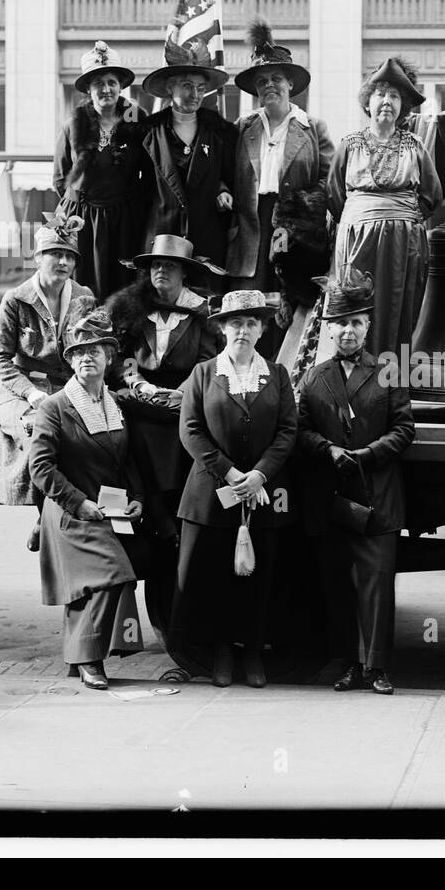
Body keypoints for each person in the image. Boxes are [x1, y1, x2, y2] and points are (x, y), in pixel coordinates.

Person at [104, 234, 223, 659]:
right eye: (155, 265)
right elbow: (113, 356)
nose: (160, 272)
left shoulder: (204, 315)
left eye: (170, 266)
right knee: (140, 511)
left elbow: (215, 366)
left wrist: (184, 395)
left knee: (180, 516)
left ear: (185, 273)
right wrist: (134, 381)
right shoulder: (129, 310)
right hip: (138, 418)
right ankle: (131, 625)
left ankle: (189, 623)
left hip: (184, 420)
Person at [171, 289, 297, 688]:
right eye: (235, 323)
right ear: (223, 329)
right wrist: (229, 474)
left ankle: (254, 653)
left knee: (259, 578)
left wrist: (260, 474)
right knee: (215, 578)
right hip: (212, 495)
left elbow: (287, 430)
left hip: (264, 494)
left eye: (251, 322)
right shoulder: (204, 373)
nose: (243, 330)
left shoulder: (277, 375)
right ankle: (221, 653)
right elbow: (190, 430)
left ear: (261, 330)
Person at [297, 272, 415, 695]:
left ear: (367, 327)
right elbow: (302, 429)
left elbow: (404, 429)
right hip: (334, 497)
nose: (348, 331)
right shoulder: (314, 378)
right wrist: (327, 450)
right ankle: (348, 663)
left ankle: (377, 667)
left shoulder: (387, 371)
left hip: (377, 495)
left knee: (377, 583)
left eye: (357, 323)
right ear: (328, 329)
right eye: (341, 323)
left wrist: (368, 455)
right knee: (340, 584)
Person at [27, 310, 146, 690]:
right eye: (78, 352)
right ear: (71, 360)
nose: (86, 358)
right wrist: (79, 504)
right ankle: (88, 659)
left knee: (93, 587)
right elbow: (41, 469)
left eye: (95, 349)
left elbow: (127, 461)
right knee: (112, 577)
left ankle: (82, 657)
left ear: (110, 356)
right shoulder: (55, 407)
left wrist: (137, 498)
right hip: (68, 513)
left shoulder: (116, 405)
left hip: (106, 511)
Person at [227, 19, 334, 360]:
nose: (269, 85)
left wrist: (297, 215)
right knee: (250, 305)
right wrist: (221, 190)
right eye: (262, 81)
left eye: (276, 79)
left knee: (289, 306)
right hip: (250, 227)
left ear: (290, 83)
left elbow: (328, 180)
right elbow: (221, 173)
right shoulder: (242, 128)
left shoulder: (312, 127)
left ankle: (284, 379)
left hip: (295, 228)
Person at [324, 57, 443, 361]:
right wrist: (362, 219)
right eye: (380, 94)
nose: (387, 101)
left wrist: (403, 220)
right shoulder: (349, 144)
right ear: (368, 102)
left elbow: (431, 195)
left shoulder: (415, 146)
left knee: (398, 309)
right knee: (356, 306)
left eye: (394, 96)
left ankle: (393, 387)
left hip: (404, 244)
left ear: (403, 106)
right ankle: (356, 383)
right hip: (357, 241)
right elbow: (335, 195)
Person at [0, 211, 96, 545]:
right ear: (38, 259)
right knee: (39, 431)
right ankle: (44, 515)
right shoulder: (16, 299)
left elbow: (95, 347)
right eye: (55, 255)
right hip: (21, 388)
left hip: (68, 385)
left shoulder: (84, 298)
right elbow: (0, 361)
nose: (63, 262)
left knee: (89, 434)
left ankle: (64, 516)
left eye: (69, 257)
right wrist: (31, 393)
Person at [54, 39, 149, 300]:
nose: (106, 89)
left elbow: (149, 171)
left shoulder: (136, 118)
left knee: (122, 287)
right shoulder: (74, 123)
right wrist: (79, 205)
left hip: (123, 219)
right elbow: (61, 178)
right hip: (84, 220)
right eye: (98, 84)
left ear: (120, 86)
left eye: (111, 83)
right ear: (88, 88)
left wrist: (132, 207)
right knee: (84, 288)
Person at [139, 40, 238, 270]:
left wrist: (223, 189)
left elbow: (231, 178)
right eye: (186, 86)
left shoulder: (222, 134)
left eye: (201, 88)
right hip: (161, 239)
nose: (195, 94)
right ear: (169, 88)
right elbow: (137, 191)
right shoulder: (147, 134)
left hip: (206, 240)